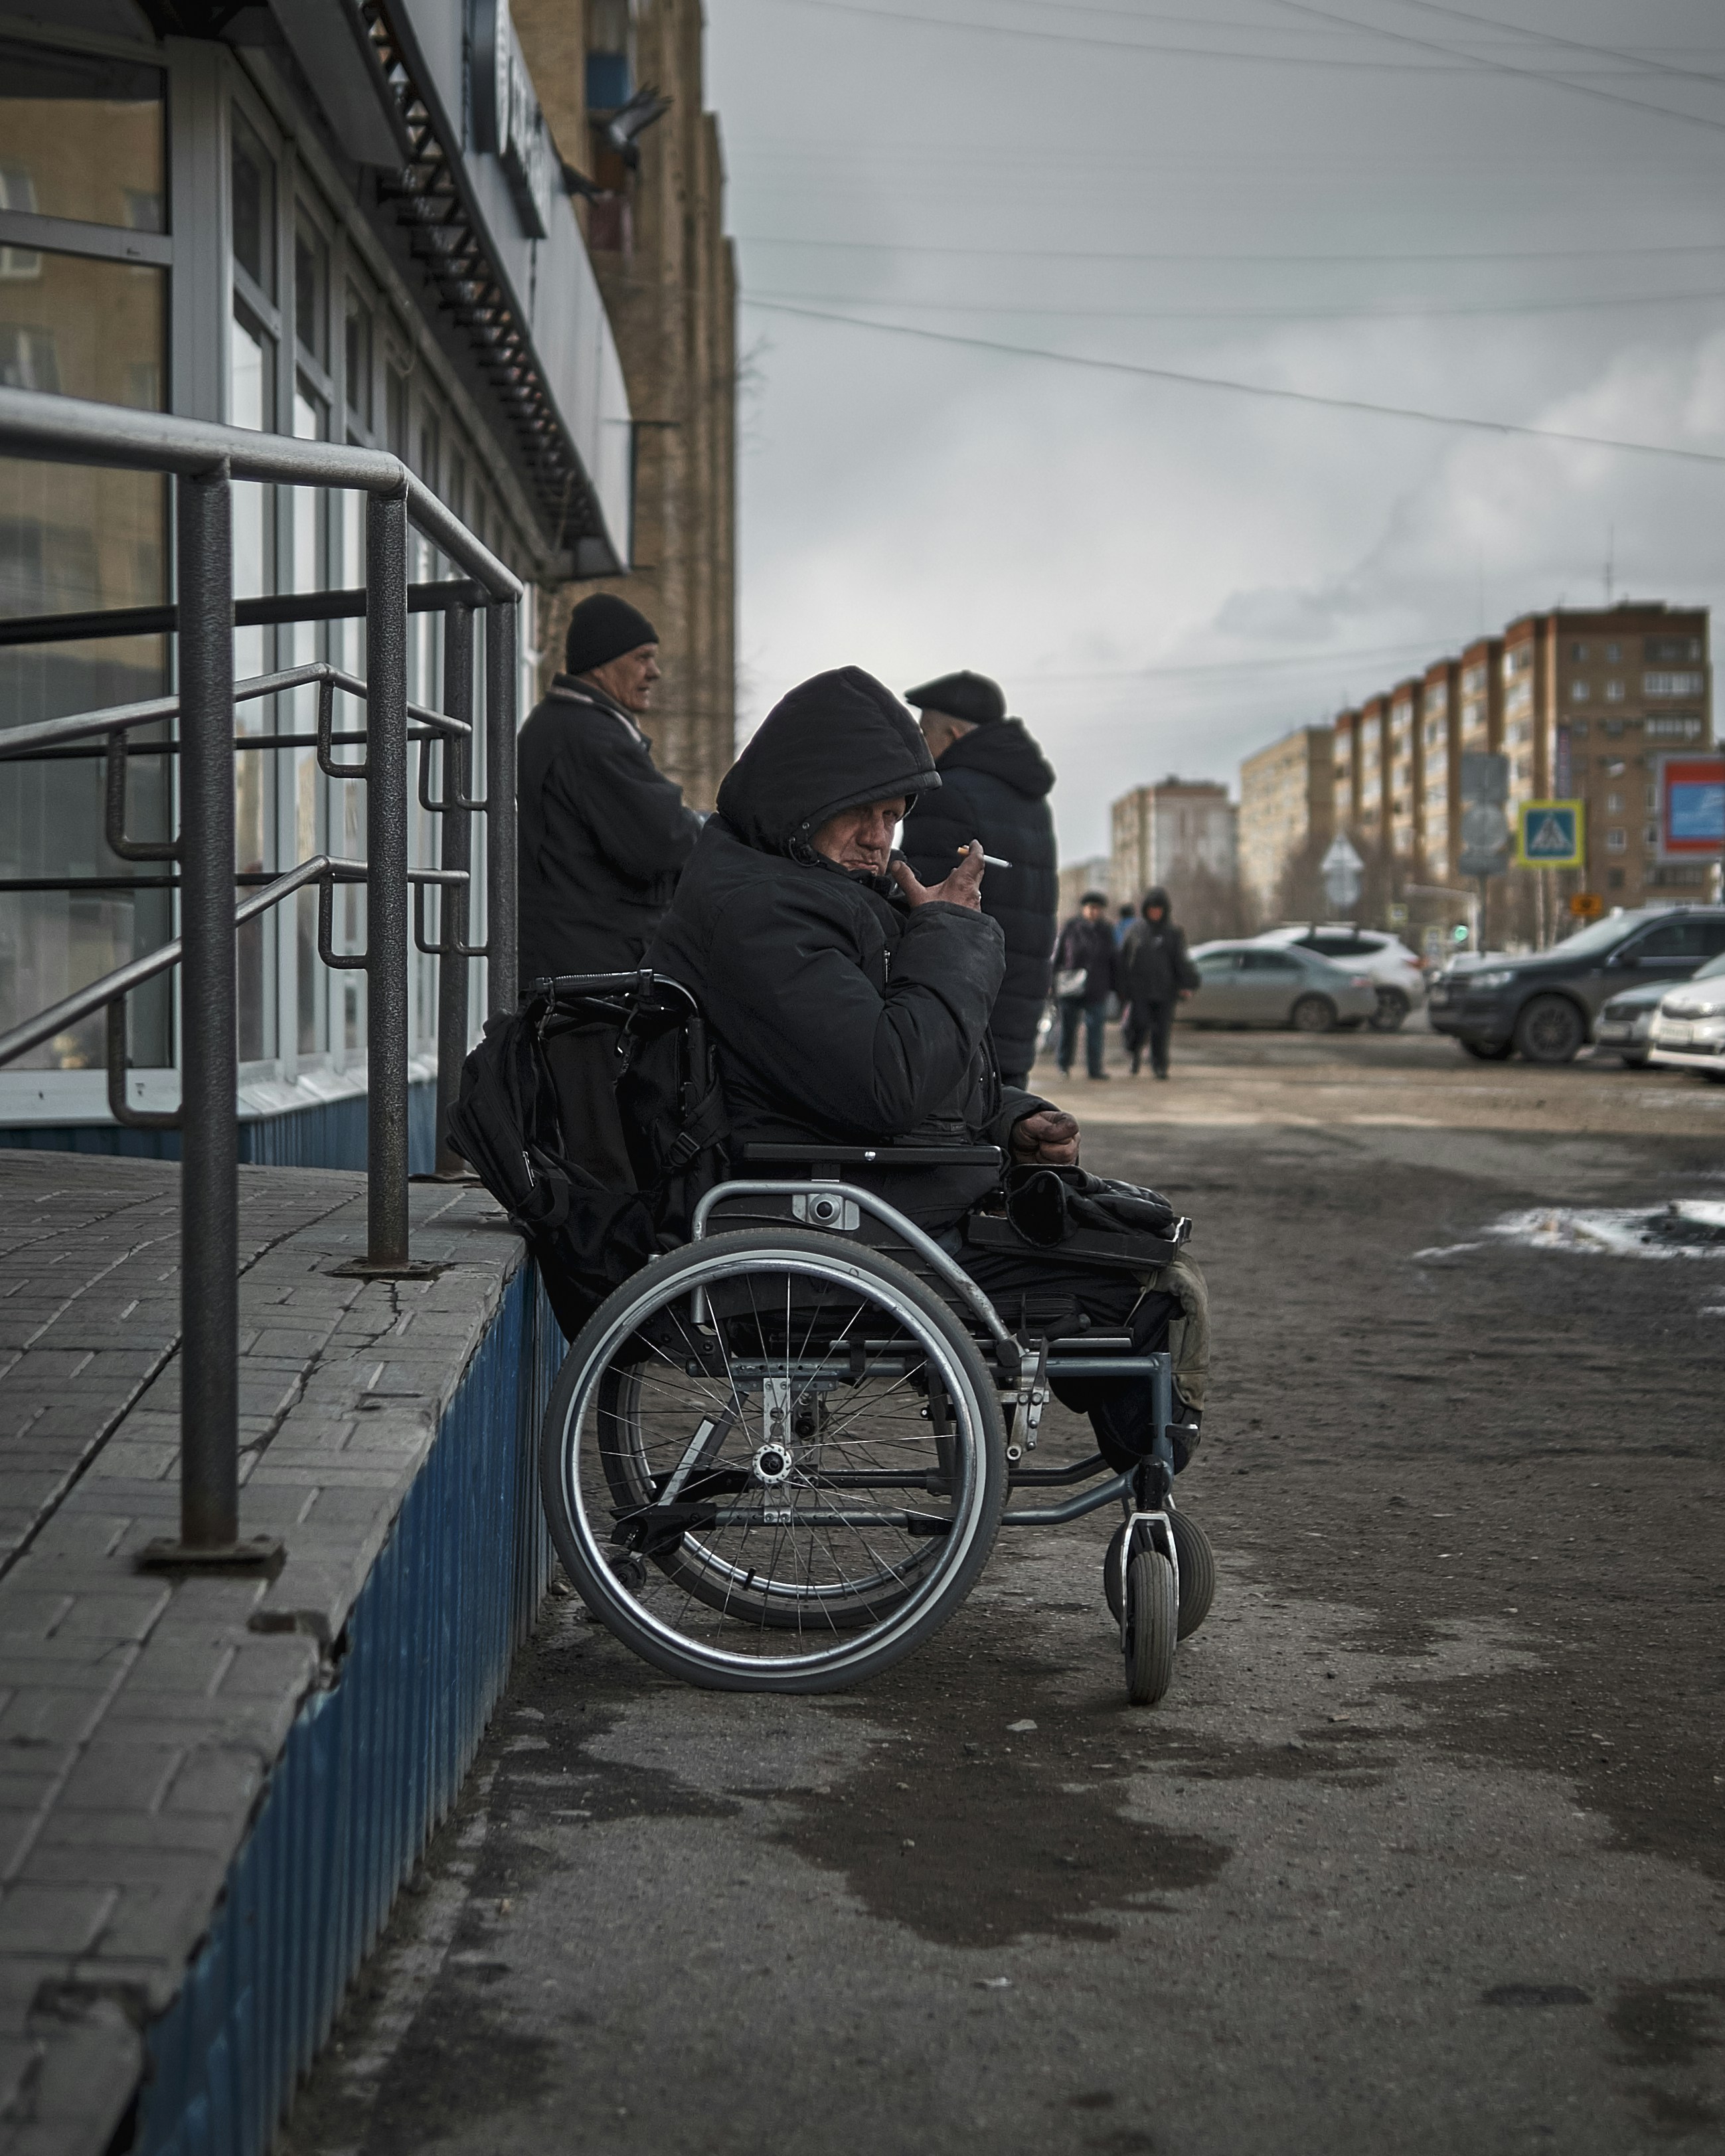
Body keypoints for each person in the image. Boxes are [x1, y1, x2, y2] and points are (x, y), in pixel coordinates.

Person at [643, 665, 1208, 1464]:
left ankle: (1137, 1469)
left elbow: (882, 1068)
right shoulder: (763, 911)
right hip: (840, 1218)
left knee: (1122, 1226)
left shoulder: (784, 884)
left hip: (863, 1194)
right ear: (807, 797)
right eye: (863, 814)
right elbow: (889, 1080)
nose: (881, 839)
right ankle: (1149, 1488)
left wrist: (1011, 1120)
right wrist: (948, 933)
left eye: (894, 817)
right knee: (1152, 1278)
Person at [517, 592, 702, 1185]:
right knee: (601, 1159)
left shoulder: (574, 727)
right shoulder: (589, 736)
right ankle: (603, 1270)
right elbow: (665, 840)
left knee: (589, 1144)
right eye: (644, 656)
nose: (655, 671)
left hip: (579, 970)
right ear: (602, 662)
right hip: (587, 978)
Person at [898, 669, 1057, 1088]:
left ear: (951, 734)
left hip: (965, 1011)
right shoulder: (1031, 801)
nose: (918, 743)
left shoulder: (945, 793)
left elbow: (923, 909)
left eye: (922, 731)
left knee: (957, 1139)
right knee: (1005, 1126)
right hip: (1017, 1006)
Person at [1119, 887, 1200, 1080]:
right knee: (1139, 1026)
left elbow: (1180, 960)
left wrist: (1187, 984)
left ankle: (1159, 1065)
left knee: (1161, 1032)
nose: (1155, 912)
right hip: (1140, 990)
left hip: (1165, 991)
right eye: (1152, 908)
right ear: (1146, 909)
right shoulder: (1136, 931)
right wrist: (1122, 987)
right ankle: (1135, 1055)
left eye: (1159, 909)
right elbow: (1123, 960)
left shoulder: (1173, 933)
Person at [1052, 891, 1120, 1081]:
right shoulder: (1071, 928)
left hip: (1096, 988)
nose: (1093, 912)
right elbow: (1057, 957)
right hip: (1070, 988)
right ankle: (1063, 1064)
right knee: (1067, 1029)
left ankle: (1095, 1069)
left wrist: (1116, 987)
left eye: (1097, 908)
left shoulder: (1106, 931)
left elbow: (1114, 961)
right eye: (1090, 908)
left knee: (1095, 1031)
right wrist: (1051, 982)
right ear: (1084, 909)